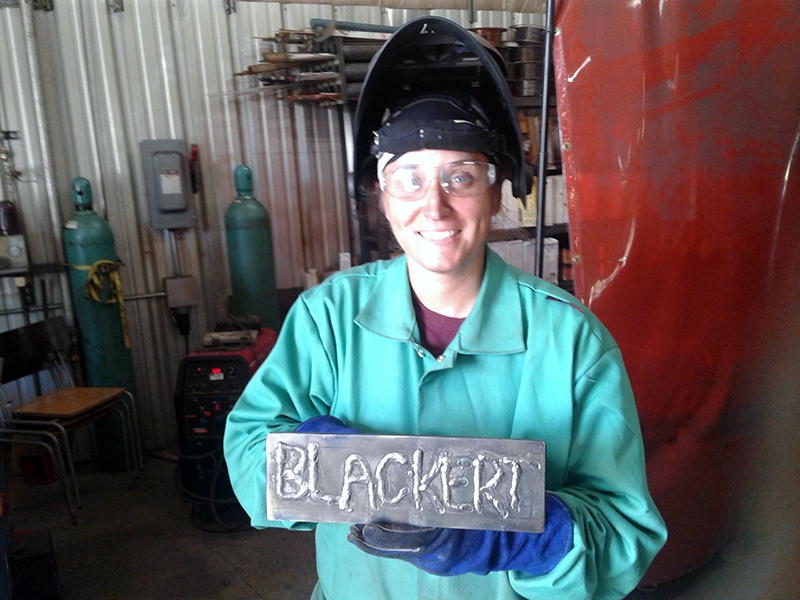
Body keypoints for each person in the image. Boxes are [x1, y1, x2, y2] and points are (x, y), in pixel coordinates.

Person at [224, 16, 667, 600]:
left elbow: (622, 530)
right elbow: (251, 446)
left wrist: (526, 538)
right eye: (408, 179)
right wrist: (320, 467)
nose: (434, 207)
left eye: (460, 177)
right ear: (381, 196)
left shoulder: (572, 343)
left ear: (497, 190)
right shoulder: (327, 319)